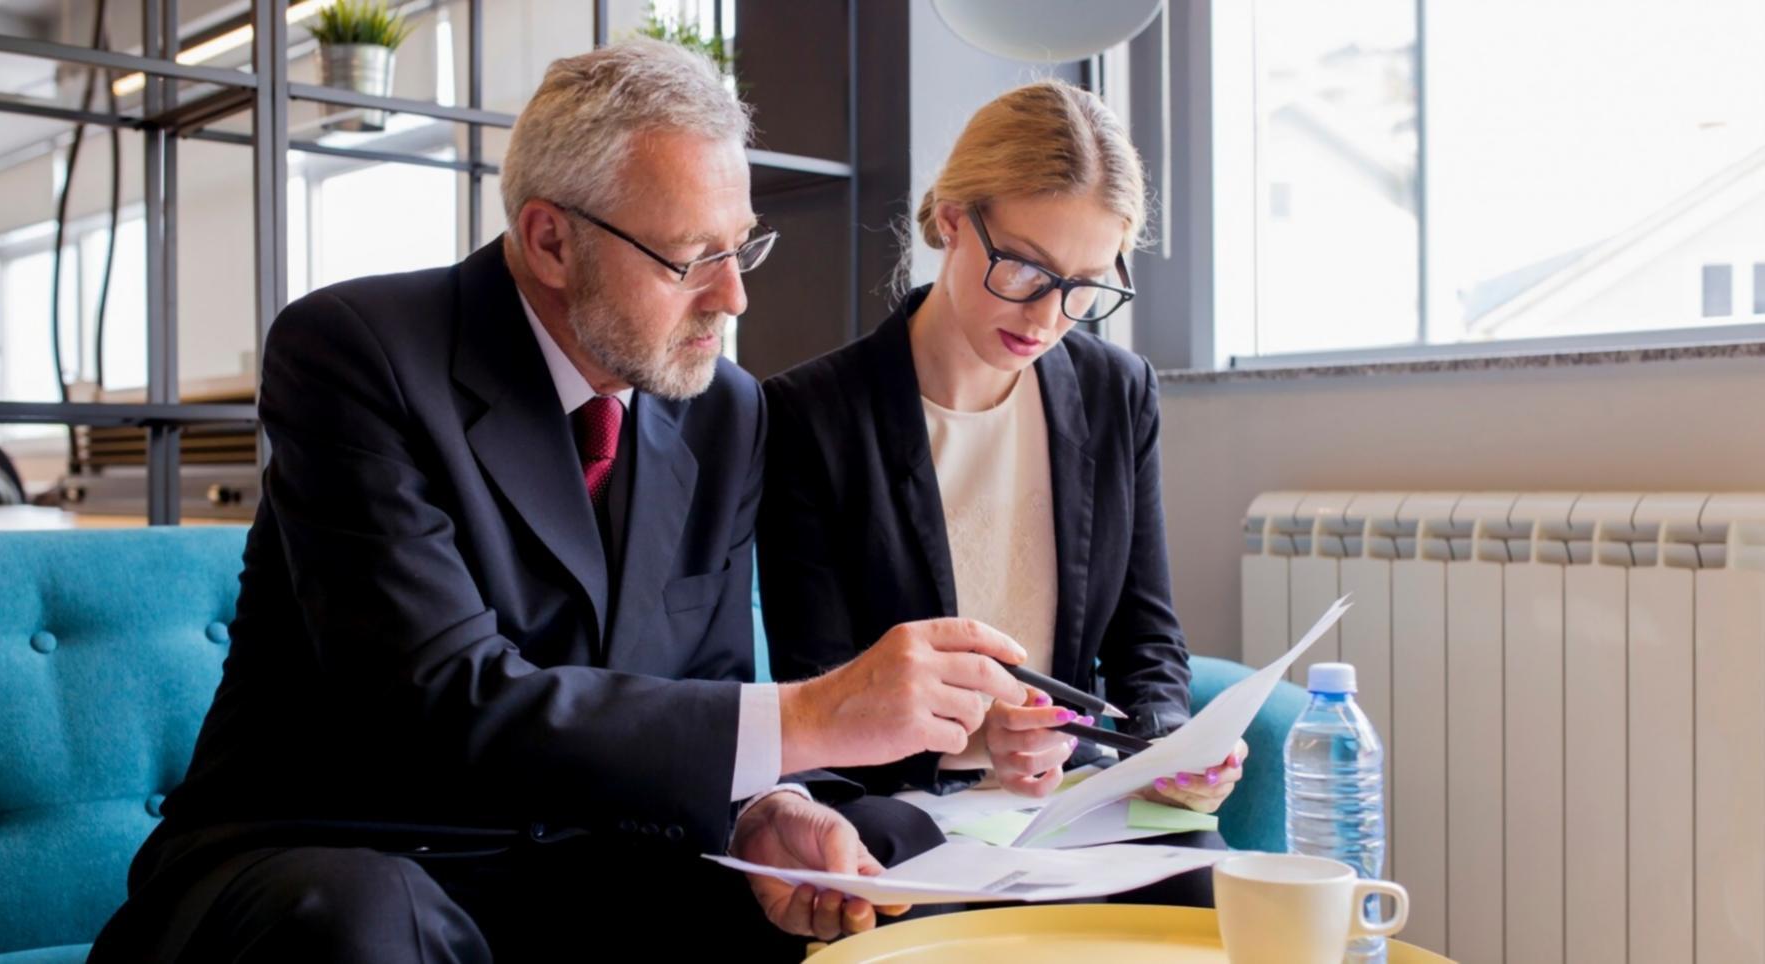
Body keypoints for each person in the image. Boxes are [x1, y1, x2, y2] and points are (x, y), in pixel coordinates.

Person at [88, 39, 1033, 963]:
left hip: (588, 860)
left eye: (742, 247)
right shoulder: (355, 353)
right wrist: (816, 714)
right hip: (349, 854)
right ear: (550, 239)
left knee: (879, 850)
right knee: (367, 919)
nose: (734, 298)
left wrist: (766, 809)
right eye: (691, 257)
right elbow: (438, 702)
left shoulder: (724, 412)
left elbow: (699, 688)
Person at [758, 79, 1243, 908]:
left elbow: (1148, 640)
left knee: (1202, 882)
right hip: (903, 803)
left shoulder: (1115, 392)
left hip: (1069, 800)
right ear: (951, 218)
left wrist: (1166, 747)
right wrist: (976, 738)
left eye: (1086, 285)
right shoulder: (813, 415)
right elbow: (821, 687)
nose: (1050, 317)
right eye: (1025, 267)